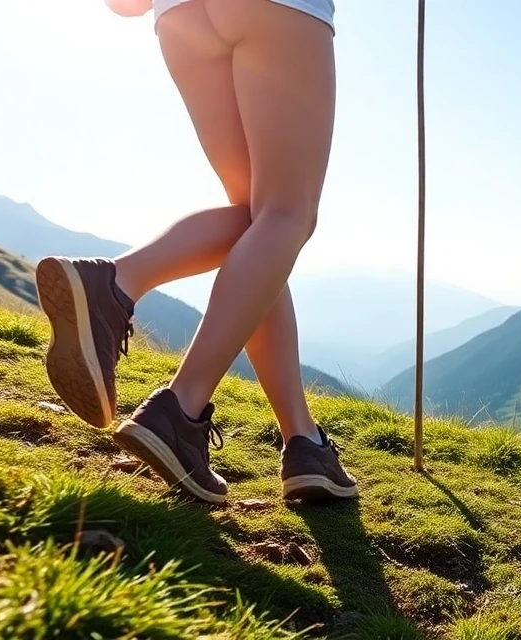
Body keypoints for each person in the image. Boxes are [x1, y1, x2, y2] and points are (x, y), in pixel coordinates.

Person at [35, 0, 357, 505]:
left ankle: (304, 442)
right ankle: (178, 407)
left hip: (181, 17)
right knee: (288, 215)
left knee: (258, 220)